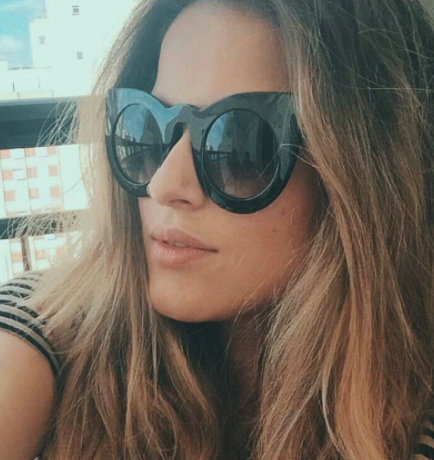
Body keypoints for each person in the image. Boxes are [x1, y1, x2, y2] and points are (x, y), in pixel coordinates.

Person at [1, 0, 434, 458]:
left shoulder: (409, 423)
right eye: (146, 128)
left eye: (241, 146)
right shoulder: (47, 324)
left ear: (359, 185)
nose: (165, 184)